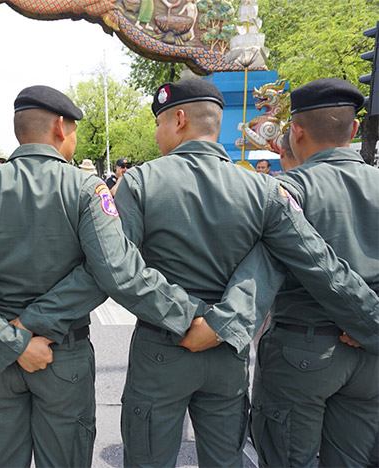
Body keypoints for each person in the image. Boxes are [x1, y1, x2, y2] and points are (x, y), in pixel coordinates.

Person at [0, 85, 233, 468]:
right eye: (74, 129)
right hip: (63, 354)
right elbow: (113, 270)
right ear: (61, 127)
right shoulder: (86, 188)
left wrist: (9, 338)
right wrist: (192, 313)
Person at [114, 79, 379, 468]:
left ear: (180, 119)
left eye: (159, 123)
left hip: (166, 346)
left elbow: (121, 268)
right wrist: (371, 320)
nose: (156, 135)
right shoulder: (263, 189)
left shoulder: (139, 182)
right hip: (230, 352)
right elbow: (314, 261)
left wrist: (190, 317)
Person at [247, 78, 379, 467]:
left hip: (303, 352)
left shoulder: (287, 190)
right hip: (370, 358)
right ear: (353, 129)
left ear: (296, 132)